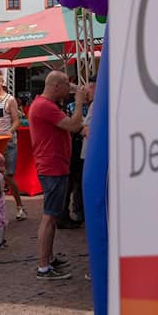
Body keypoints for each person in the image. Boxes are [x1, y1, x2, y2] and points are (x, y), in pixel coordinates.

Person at [28, 71, 85, 280]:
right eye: (65, 87)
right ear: (56, 87)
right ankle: (43, 266)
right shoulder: (45, 106)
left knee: (52, 216)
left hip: (54, 165)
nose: (68, 91)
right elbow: (75, 125)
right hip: (52, 166)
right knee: (50, 216)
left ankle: (48, 259)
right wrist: (79, 103)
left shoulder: (43, 105)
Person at [0, 69, 27, 221]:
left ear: (2, 82)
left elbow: (16, 120)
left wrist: (9, 131)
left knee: (8, 175)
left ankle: (19, 206)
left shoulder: (10, 99)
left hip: (8, 142)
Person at [61, 75, 96, 227]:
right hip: (76, 150)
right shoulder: (79, 105)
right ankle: (74, 212)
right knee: (74, 183)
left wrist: (81, 127)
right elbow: (75, 126)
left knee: (79, 183)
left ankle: (79, 212)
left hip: (83, 152)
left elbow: (83, 129)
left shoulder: (94, 105)